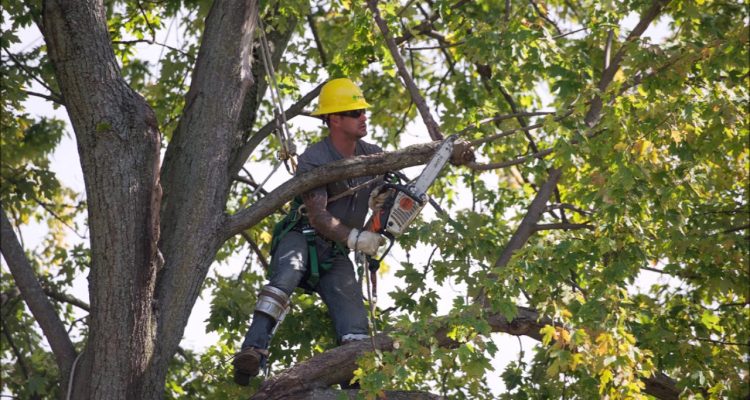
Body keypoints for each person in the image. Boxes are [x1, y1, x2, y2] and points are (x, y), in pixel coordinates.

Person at [233, 78, 391, 385]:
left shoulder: (374, 155)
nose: (364, 116)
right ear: (334, 118)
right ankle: (253, 351)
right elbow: (318, 216)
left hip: (335, 253)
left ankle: (356, 382)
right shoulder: (315, 158)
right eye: (355, 111)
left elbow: (394, 200)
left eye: (363, 111)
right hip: (302, 236)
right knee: (286, 275)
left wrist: (382, 205)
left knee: (356, 326)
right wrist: (357, 238)